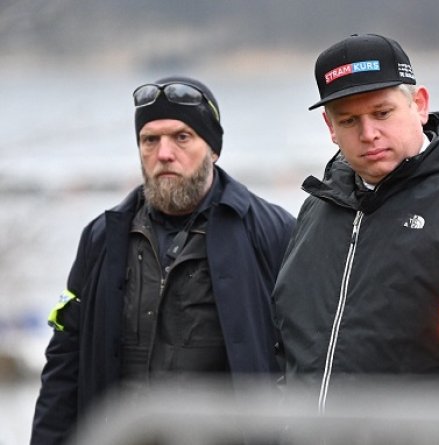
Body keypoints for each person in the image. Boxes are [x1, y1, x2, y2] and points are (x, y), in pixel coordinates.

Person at [271, 34, 439, 413]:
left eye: (382, 113)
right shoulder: (316, 211)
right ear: (330, 127)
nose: (368, 133)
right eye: (349, 120)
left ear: (419, 105)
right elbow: (290, 347)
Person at [31, 75, 295, 444]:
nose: (164, 153)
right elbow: (65, 361)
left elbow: (304, 358)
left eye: (182, 137)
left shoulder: (271, 231)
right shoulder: (103, 237)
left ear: (213, 148)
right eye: (149, 140)